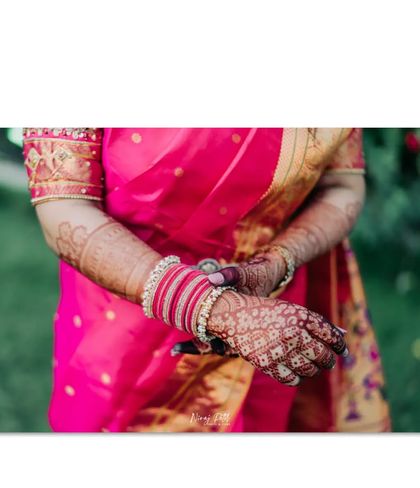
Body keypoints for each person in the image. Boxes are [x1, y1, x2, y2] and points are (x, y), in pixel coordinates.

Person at [23, 128, 390, 432]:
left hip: (273, 315)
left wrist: (275, 264)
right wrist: (218, 309)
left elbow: (341, 185)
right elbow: (63, 206)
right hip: (128, 310)